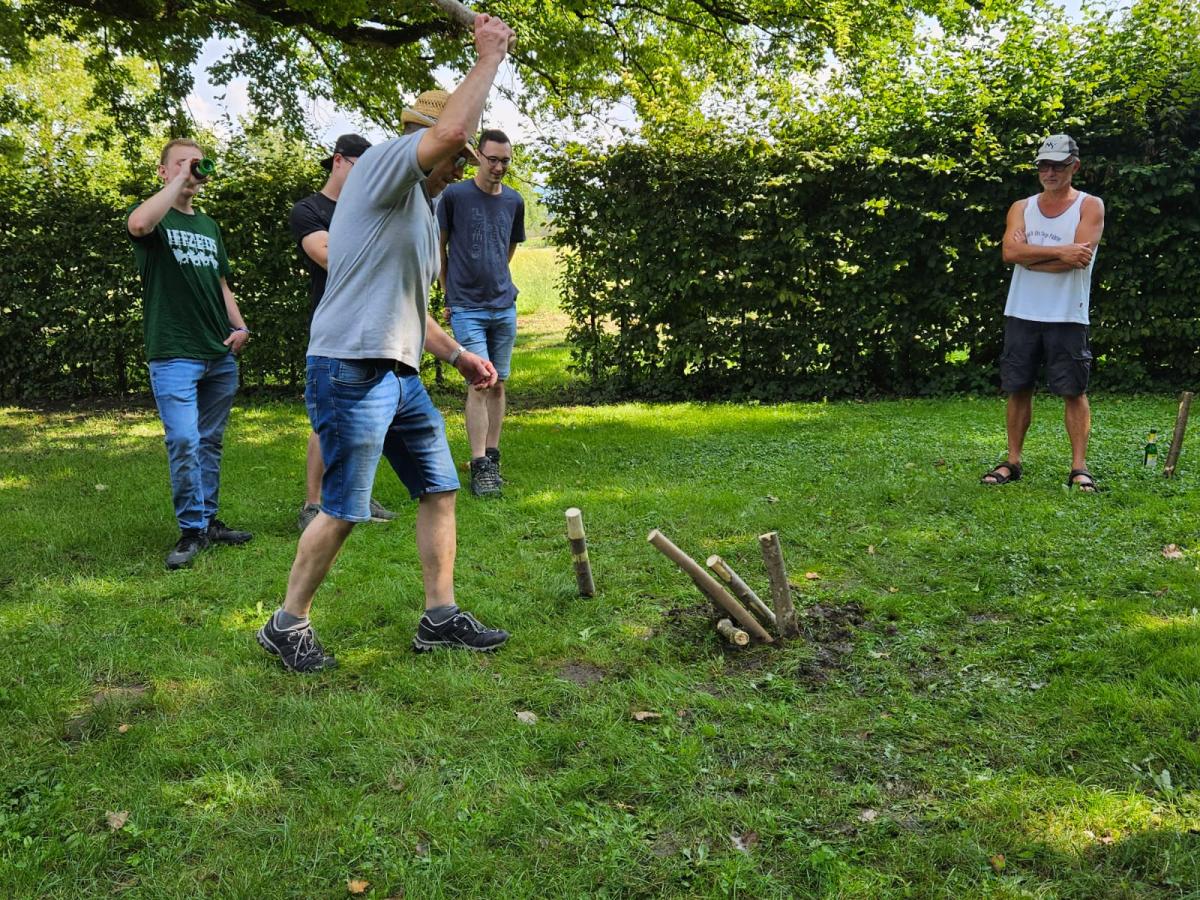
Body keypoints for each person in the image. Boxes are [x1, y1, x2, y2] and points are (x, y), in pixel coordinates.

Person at [256, 14, 517, 673]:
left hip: (398, 374)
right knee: (345, 508)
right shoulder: (381, 168)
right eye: (455, 156)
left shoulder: (420, 215)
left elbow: (407, 308)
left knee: (439, 486)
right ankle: (287, 623)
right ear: (423, 140)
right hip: (349, 369)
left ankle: (439, 617)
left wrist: (458, 354)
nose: (457, 165)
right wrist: (488, 56)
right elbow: (450, 131)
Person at [127, 138, 254, 569]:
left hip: (218, 351)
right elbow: (138, 224)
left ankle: (208, 520)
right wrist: (178, 180)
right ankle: (191, 530)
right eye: (180, 163)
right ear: (163, 172)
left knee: (210, 441)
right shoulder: (154, 218)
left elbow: (221, 284)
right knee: (184, 439)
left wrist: (240, 327)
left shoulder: (209, 226)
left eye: (196, 163)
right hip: (174, 352)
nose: (191, 169)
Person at [982, 133, 1105, 492]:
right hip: (1022, 311)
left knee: (1073, 391)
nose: (1049, 172)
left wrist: (1031, 256)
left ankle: (1079, 467)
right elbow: (1009, 253)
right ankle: (1012, 461)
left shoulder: (1090, 206)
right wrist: (1060, 252)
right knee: (1017, 387)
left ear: (1074, 167)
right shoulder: (1021, 207)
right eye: (1043, 166)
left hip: (1068, 314)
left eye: (1058, 166)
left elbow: (1078, 260)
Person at [289, 133, 397, 532]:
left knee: (373, 415)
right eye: (361, 167)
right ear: (338, 161)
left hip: (377, 324)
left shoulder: (370, 208)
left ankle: (358, 494)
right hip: (334, 328)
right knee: (328, 417)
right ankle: (313, 503)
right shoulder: (309, 210)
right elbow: (330, 257)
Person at [437, 128, 526, 496]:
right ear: (479, 157)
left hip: (504, 305)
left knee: (499, 382)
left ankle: (492, 457)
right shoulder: (455, 196)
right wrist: (449, 294)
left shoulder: (514, 201)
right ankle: (478, 466)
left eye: (505, 161)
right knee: (480, 381)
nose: (499, 167)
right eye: (492, 159)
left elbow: (508, 248)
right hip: (466, 306)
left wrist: (497, 278)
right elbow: (439, 248)